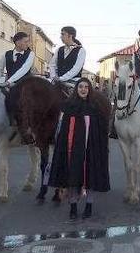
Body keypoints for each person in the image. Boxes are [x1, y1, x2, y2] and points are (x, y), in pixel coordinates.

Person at [45, 78, 110, 220]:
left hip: (90, 148)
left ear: (89, 89)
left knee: (90, 177)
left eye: (86, 87)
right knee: (72, 177)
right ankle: (73, 206)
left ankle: (89, 206)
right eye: (81, 87)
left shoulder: (95, 107)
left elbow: (101, 130)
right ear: (76, 89)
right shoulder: (68, 106)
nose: (83, 89)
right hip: (72, 149)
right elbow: (62, 130)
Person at [0, 32, 37, 145]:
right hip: (9, 86)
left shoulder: (30, 54)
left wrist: (9, 81)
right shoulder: (6, 54)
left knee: (22, 103)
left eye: (28, 41)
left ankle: (25, 133)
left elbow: (24, 69)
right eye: (26, 41)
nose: (28, 44)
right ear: (17, 42)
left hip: (25, 85)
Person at [48, 26, 86, 91]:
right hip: (57, 81)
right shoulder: (59, 49)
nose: (60, 37)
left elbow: (76, 69)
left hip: (73, 82)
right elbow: (52, 65)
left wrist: (61, 78)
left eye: (63, 34)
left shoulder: (81, 50)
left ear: (70, 36)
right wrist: (54, 77)